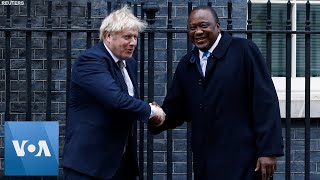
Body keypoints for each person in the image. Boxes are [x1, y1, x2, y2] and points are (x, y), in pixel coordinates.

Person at [149, 5, 284, 180]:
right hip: (205, 160)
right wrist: (157, 117)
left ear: (218, 26)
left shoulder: (244, 50)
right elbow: (176, 108)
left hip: (244, 158)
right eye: (192, 28)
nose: (198, 32)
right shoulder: (187, 64)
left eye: (204, 25)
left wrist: (268, 150)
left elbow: (265, 101)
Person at [62, 5, 165, 180]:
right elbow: (116, 100)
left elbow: (126, 103)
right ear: (108, 36)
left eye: (135, 37)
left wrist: (145, 109)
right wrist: (152, 111)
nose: (133, 42)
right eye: (127, 37)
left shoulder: (128, 63)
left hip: (119, 163)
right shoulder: (90, 61)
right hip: (89, 165)